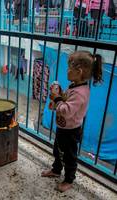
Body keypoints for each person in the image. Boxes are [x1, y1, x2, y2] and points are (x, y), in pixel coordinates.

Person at [41, 50, 103, 192]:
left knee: (69, 157)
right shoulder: (74, 86)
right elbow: (67, 99)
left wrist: (57, 98)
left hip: (71, 131)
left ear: (79, 71)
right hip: (63, 128)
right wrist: (61, 94)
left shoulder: (81, 93)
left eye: (69, 68)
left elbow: (67, 111)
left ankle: (69, 179)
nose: (67, 71)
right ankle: (56, 170)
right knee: (57, 151)